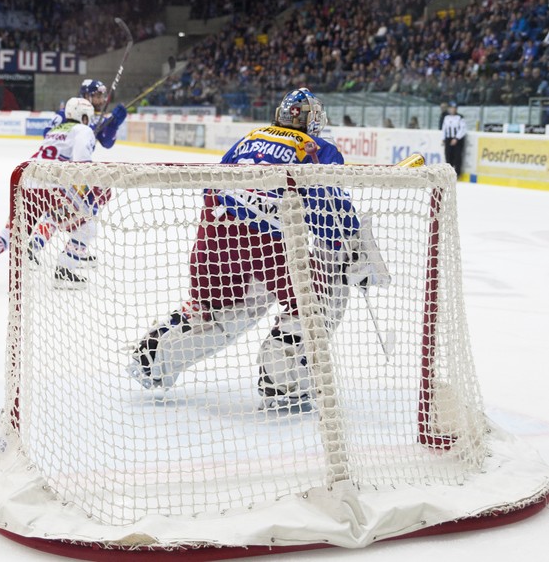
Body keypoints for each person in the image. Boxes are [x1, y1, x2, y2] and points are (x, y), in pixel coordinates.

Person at [128, 88, 391, 411]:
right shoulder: (315, 147)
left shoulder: (249, 138)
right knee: (318, 296)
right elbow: (329, 210)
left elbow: (214, 182)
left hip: (213, 230)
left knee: (221, 309)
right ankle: (284, 378)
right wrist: (350, 250)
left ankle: (155, 356)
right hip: (268, 241)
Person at [0, 79, 127, 283]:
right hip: (53, 187)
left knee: (14, 231)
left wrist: (111, 125)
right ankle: (64, 270)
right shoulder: (82, 130)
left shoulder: (59, 129)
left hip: (28, 182)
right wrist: (93, 190)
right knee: (88, 225)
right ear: (83, 115)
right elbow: (81, 166)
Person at [441, 101, 466, 175]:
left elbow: (463, 129)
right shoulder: (446, 117)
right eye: (451, 108)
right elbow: (444, 128)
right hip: (448, 139)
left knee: (457, 157)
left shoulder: (460, 117)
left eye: (454, 108)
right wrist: (443, 138)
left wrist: (456, 138)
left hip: (458, 140)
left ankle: (457, 173)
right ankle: (449, 173)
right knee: (448, 156)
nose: (453, 110)